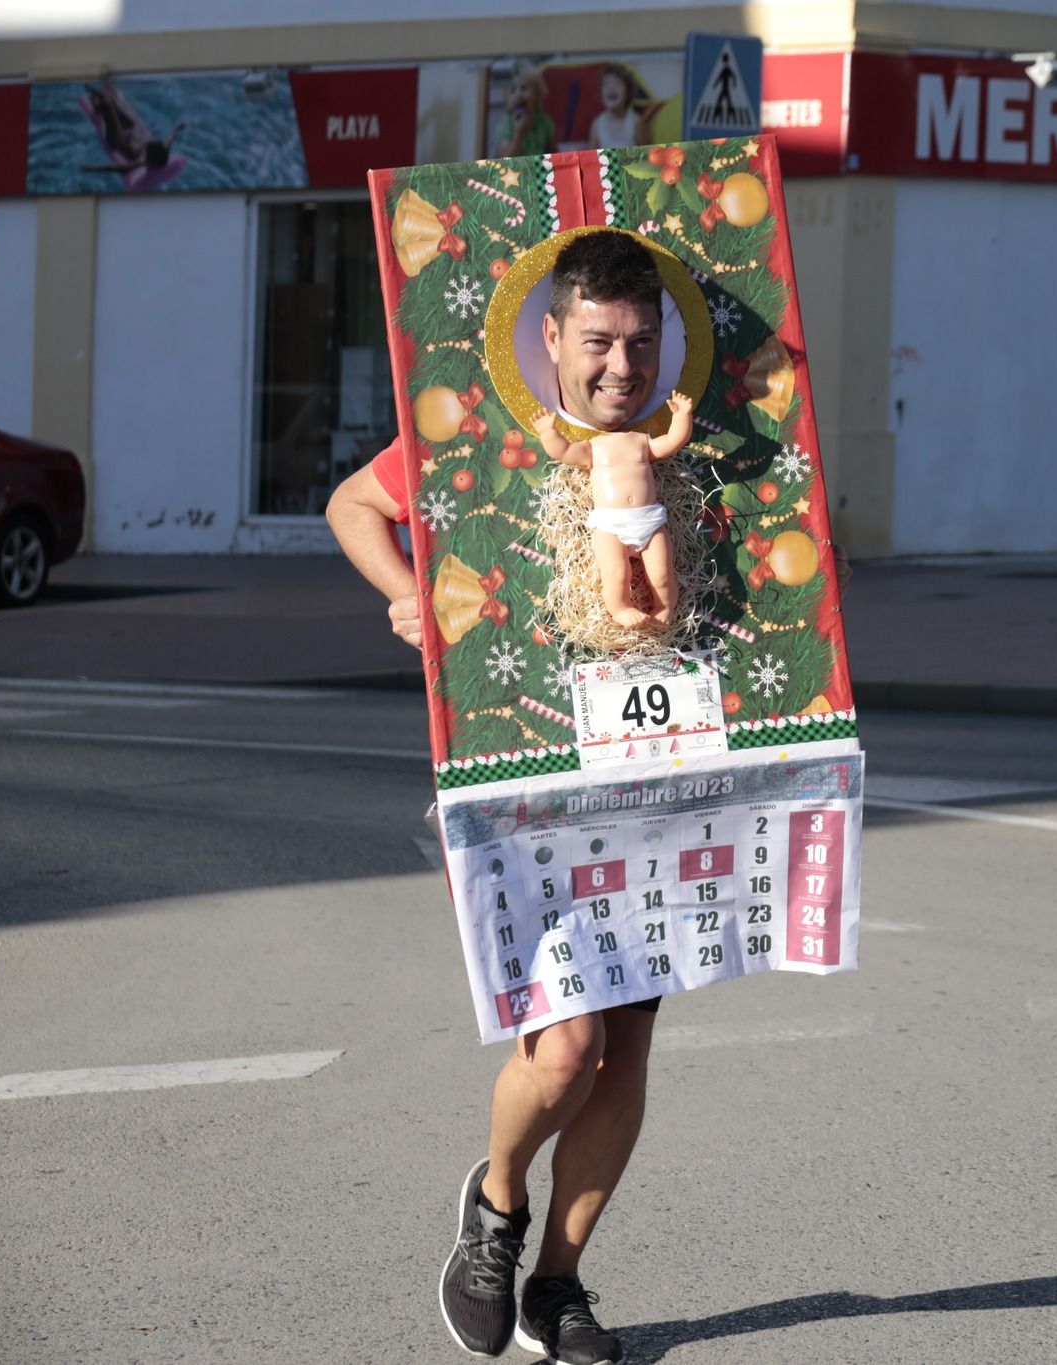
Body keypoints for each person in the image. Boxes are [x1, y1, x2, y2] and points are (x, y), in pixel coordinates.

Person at [326, 229, 675, 1364]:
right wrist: (413, 597)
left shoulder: (699, 445)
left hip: (657, 783)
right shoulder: (479, 430)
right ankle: (496, 1204)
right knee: (564, 1048)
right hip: (519, 776)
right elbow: (351, 508)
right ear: (551, 338)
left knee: (625, 1046)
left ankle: (558, 1288)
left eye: (640, 340)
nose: (622, 366)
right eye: (598, 343)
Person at [534, 389, 693, 629]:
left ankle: (664, 607)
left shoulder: (641, 441)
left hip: (648, 520)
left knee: (661, 573)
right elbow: (564, 452)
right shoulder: (591, 447)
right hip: (610, 525)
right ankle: (620, 608)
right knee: (616, 572)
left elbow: (672, 441)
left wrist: (682, 417)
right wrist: (548, 432)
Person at [588, 66, 644, 151]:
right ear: (601, 93)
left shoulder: (636, 122)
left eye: (617, 83)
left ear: (628, 92)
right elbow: (590, 159)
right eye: (606, 84)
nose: (611, 88)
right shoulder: (597, 125)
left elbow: (647, 156)